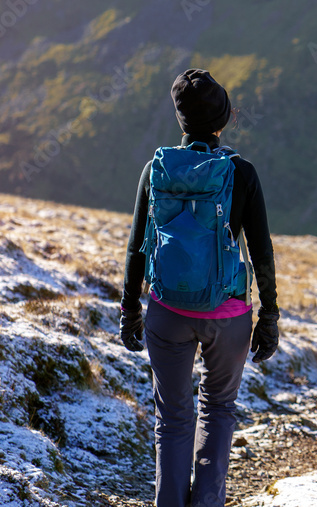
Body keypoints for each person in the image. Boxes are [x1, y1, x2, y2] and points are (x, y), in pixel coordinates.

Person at [117, 69, 279, 507]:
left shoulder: (156, 170)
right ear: (222, 120)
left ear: (181, 119)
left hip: (167, 311)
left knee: (172, 418)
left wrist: (129, 310)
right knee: (218, 410)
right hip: (227, 316)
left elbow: (136, 248)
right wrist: (269, 317)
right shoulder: (240, 173)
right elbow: (261, 251)